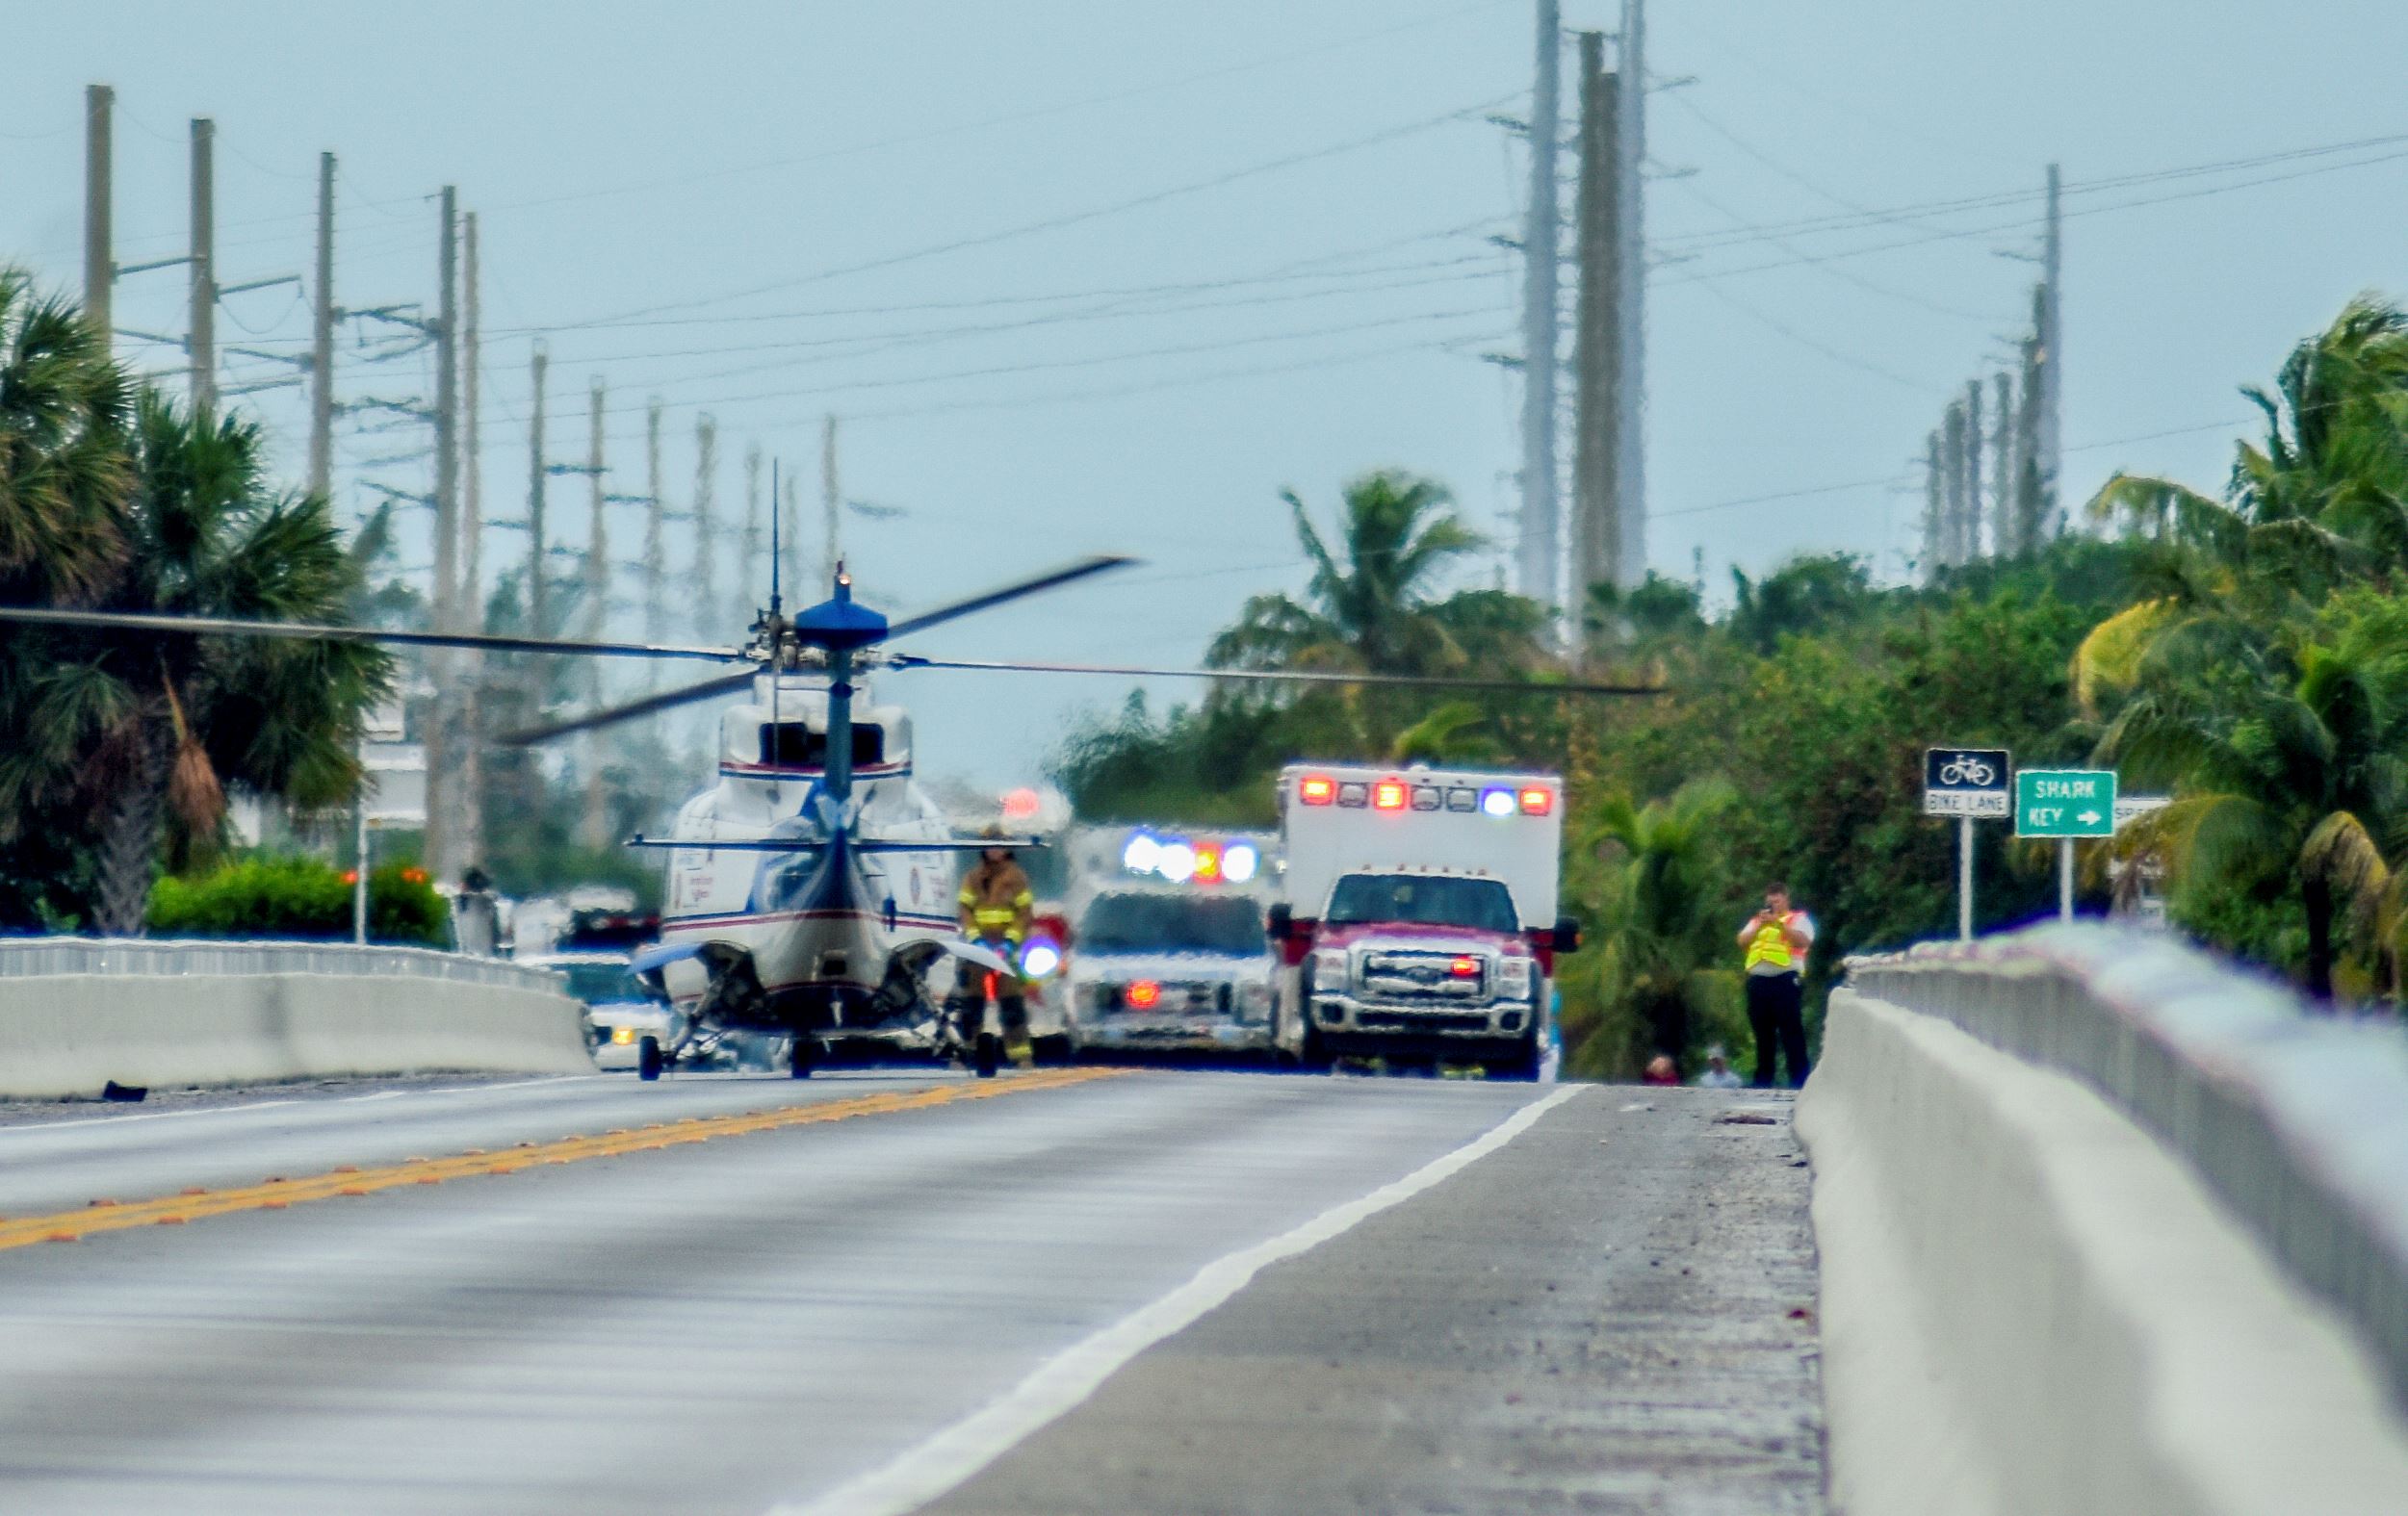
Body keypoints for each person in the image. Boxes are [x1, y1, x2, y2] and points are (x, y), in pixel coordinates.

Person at [952, 829, 1036, 1067]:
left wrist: (1010, 942)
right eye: (990, 845)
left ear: (1007, 849)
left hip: (1005, 950)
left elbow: (1024, 913)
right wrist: (975, 939)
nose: (995, 850)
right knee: (971, 1005)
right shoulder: (973, 878)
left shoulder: (1017, 878)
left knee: (1012, 1005)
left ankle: (1020, 1055)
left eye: (999, 845)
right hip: (978, 950)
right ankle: (966, 1052)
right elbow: (965, 910)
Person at [1738, 883, 1814, 1089]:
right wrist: (1760, 926)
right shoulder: (1757, 921)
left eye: (1777, 900)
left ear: (1786, 899)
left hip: (1785, 979)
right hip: (1758, 981)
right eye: (1770, 901)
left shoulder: (1798, 919)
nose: (1773, 905)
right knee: (1763, 1033)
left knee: (1791, 1031)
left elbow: (1803, 941)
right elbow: (1742, 941)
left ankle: (1799, 1080)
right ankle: (1763, 1080)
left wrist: (1778, 924)